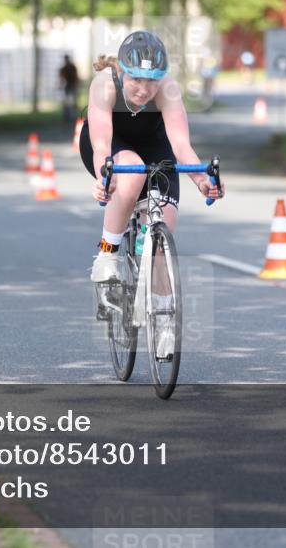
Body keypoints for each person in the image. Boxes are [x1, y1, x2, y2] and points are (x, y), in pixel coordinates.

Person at [79, 31, 225, 355]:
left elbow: (181, 145)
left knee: (164, 227)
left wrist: (202, 180)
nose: (145, 90)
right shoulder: (105, 84)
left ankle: (163, 320)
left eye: (153, 82)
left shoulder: (168, 89)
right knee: (130, 176)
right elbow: (102, 141)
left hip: (156, 145)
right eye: (136, 81)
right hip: (112, 144)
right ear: (122, 72)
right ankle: (108, 254)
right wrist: (105, 177)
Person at [59, 54, 80, 123]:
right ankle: (67, 117)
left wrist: (76, 86)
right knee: (67, 103)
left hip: (71, 86)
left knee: (72, 102)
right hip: (67, 87)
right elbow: (61, 78)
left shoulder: (72, 67)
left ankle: (72, 117)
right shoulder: (64, 68)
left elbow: (76, 77)